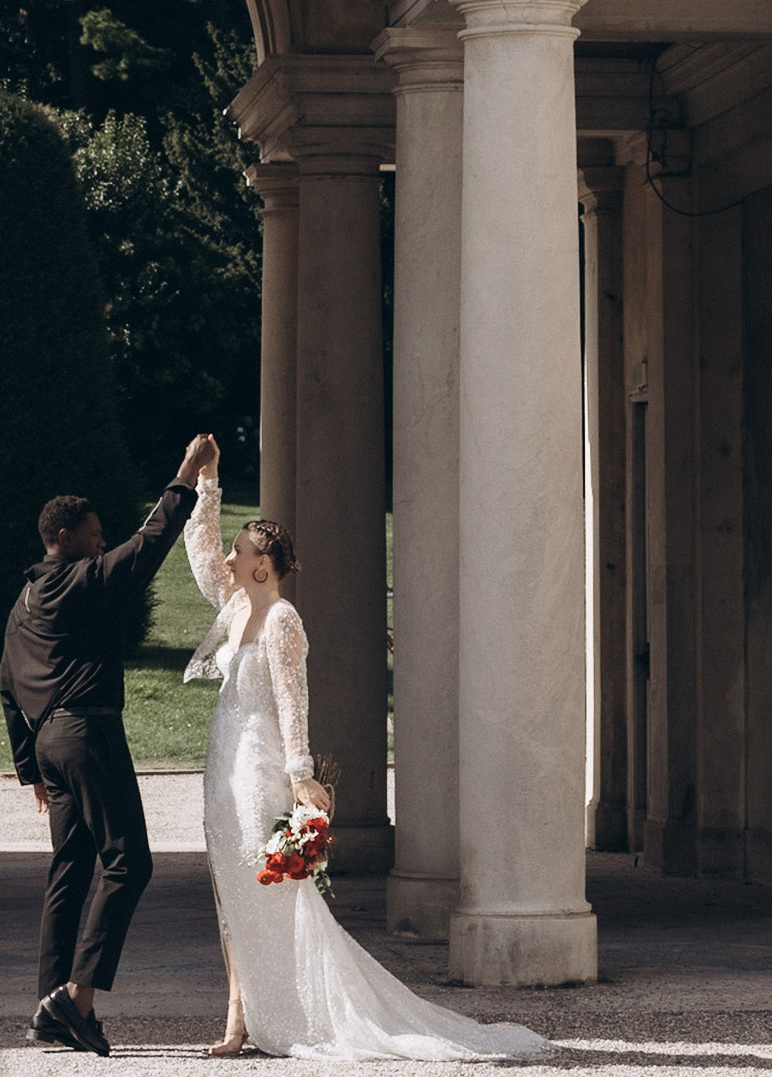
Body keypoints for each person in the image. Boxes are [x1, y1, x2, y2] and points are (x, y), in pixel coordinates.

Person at [181, 448, 551, 1062]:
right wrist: (208, 479)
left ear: (264, 566)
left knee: (265, 887)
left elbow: (294, 703)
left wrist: (300, 776)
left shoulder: (282, 622)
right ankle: (238, 1019)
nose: (230, 558)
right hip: (222, 761)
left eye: (241, 551)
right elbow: (200, 553)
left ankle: (287, 1011)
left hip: (258, 767)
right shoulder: (236, 604)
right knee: (228, 892)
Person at [2, 431, 220, 1058]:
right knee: (130, 862)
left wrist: (31, 771)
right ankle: (76, 1000)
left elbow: (7, 687)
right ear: (67, 537)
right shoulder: (83, 580)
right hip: (88, 732)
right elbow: (151, 543)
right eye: (95, 534)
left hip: (48, 743)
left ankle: (48, 1008)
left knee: (69, 868)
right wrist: (187, 468)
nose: (102, 541)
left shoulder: (23, 602)